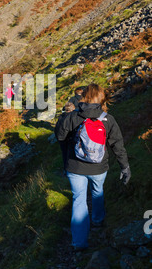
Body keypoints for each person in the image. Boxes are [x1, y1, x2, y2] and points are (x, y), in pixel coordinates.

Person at [55, 84, 131, 251]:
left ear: (85, 96)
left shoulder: (73, 116)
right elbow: (117, 145)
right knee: (97, 191)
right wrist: (124, 167)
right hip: (99, 167)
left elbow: (60, 136)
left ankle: (79, 242)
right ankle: (97, 220)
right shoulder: (107, 119)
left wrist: (67, 152)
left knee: (79, 199)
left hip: (75, 167)